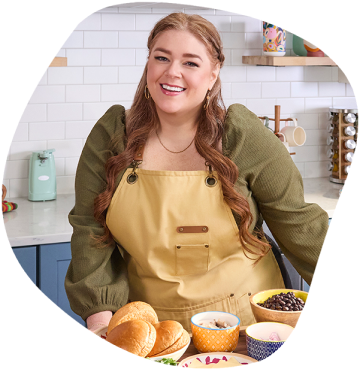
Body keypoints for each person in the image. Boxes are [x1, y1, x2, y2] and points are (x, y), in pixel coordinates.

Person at [65, 13, 329, 337]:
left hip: (248, 327)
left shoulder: (241, 136)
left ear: (213, 72)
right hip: (152, 331)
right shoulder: (112, 135)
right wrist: (100, 322)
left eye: (190, 63)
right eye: (161, 57)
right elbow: (90, 230)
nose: (171, 72)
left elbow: (300, 224)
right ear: (148, 62)